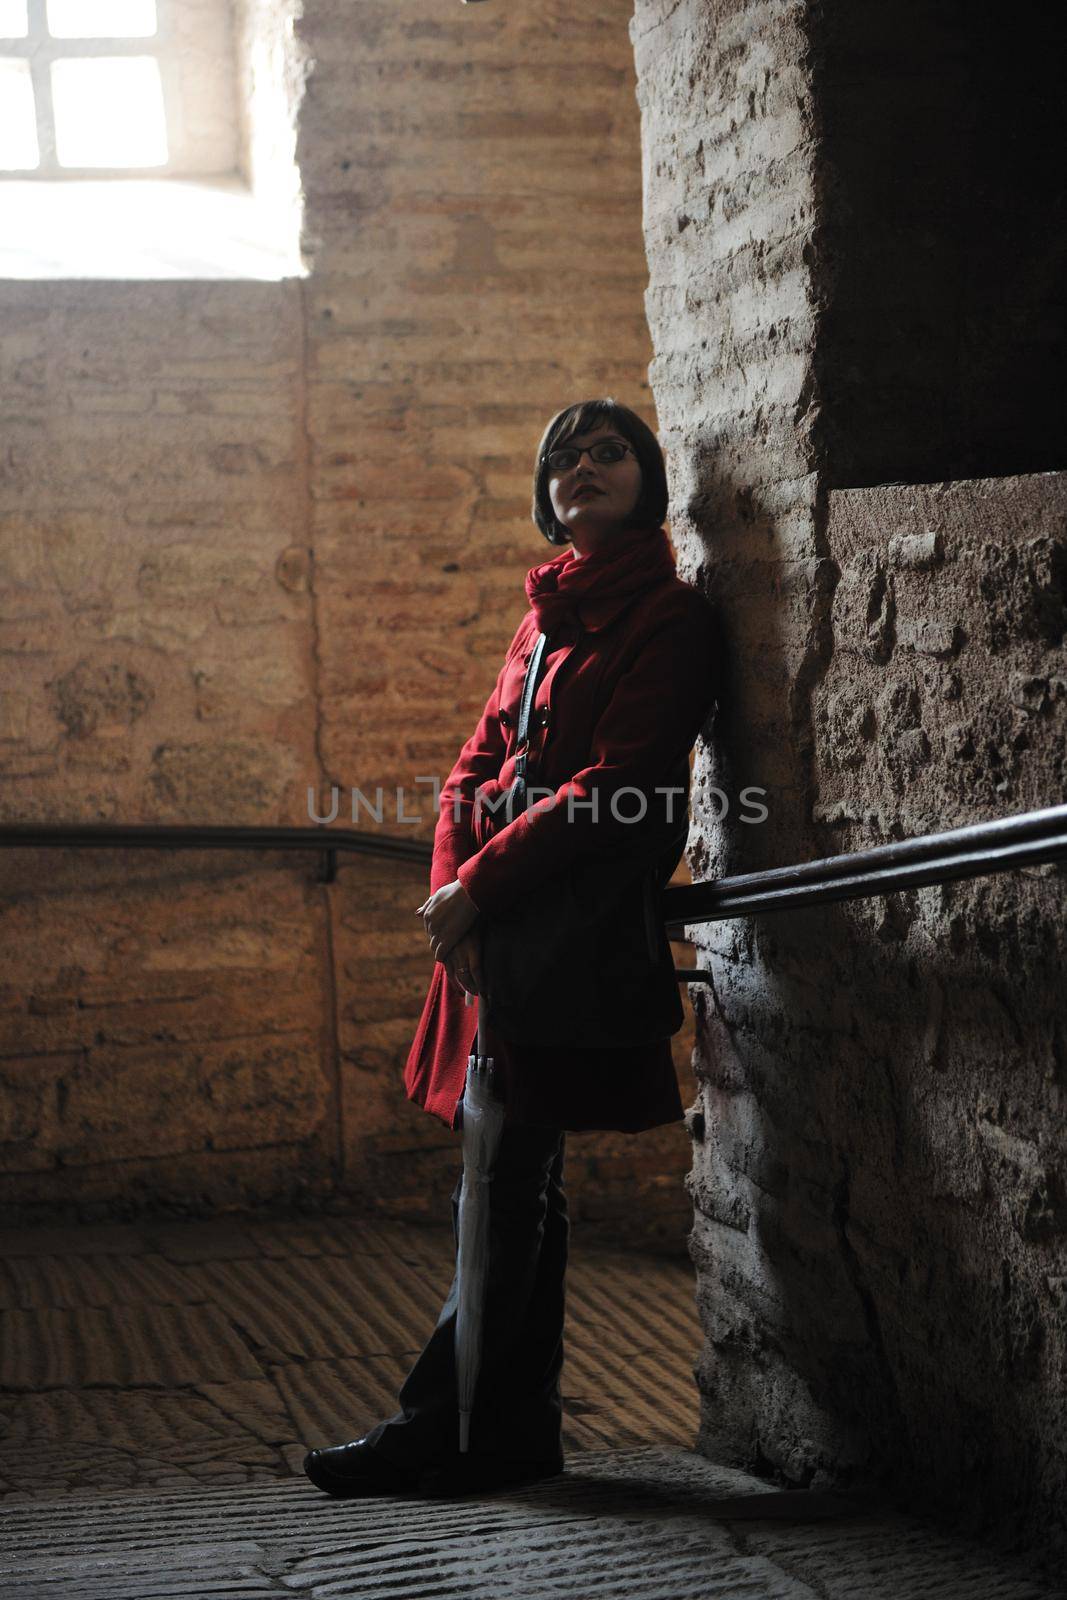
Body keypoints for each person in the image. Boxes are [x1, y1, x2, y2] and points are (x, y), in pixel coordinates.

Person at [303, 397, 719, 1499]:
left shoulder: (668, 619)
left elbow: (625, 786)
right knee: (509, 1175)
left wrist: (479, 882)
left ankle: (449, 1429)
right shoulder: (538, 621)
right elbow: (468, 765)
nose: (582, 466)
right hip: (496, 932)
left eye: (608, 451)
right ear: (545, 493)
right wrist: (453, 892)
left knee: (503, 1181)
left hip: (566, 933)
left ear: (647, 480)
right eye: (563, 457)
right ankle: (507, 1429)